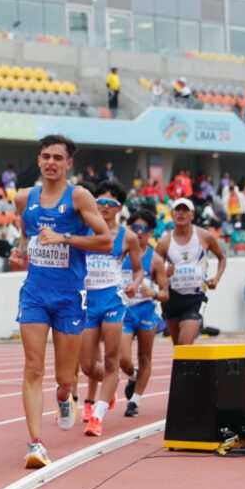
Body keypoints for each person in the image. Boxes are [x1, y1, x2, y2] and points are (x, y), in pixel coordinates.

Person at [9, 134, 111, 467]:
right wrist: (20, 253)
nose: (51, 162)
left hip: (69, 296)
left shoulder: (79, 197)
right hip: (35, 292)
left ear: (68, 164)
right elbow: (26, 234)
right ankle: (36, 443)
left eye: (57, 157)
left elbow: (106, 241)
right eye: (45, 156)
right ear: (38, 161)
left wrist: (65, 237)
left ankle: (65, 396)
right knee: (32, 368)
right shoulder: (24, 199)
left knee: (65, 378)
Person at [79, 180, 142, 437]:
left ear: (119, 208)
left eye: (110, 203)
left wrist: (134, 285)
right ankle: (110, 385)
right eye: (100, 202)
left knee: (111, 359)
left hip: (113, 299)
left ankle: (98, 415)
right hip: (87, 300)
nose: (104, 207)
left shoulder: (127, 236)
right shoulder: (82, 228)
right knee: (86, 365)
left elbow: (138, 269)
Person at [155, 198, 226, 345]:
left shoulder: (205, 237)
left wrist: (216, 278)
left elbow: (222, 258)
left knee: (185, 344)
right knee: (178, 348)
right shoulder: (164, 243)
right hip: (171, 299)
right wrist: (164, 273)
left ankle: (187, 367)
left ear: (192, 215)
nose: (181, 213)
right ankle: (184, 369)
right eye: (177, 210)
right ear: (172, 214)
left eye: (185, 210)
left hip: (195, 298)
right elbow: (154, 273)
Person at [118, 210, 168, 418]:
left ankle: (134, 401)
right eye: (135, 228)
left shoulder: (155, 260)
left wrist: (154, 293)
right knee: (123, 358)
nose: (139, 233)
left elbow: (165, 293)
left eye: (144, 229)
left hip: (147, 311)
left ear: (151, 232)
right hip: (124, 310)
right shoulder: (120, 253)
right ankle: (132, 375)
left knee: (145, 356)